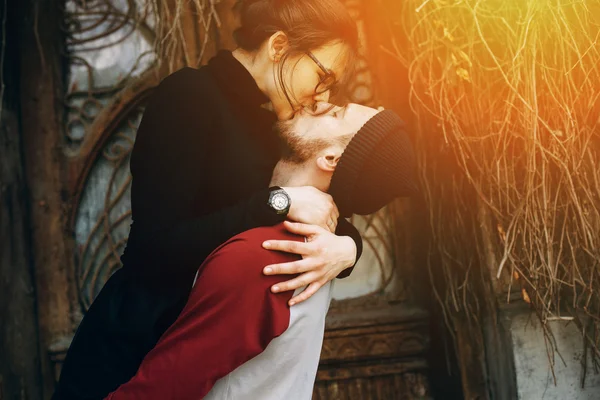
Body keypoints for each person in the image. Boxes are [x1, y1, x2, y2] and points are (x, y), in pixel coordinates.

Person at [54, 1, 366, 399]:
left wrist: (347, 249)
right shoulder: (189, 96)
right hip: (135, 351)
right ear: (278, 45)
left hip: (206, 363)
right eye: (322, 75)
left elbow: (319, 210)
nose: (320, 94)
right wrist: (276, 204)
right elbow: (152, 250)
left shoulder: (278, 124)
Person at [105, 103, 417, 399]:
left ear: (331, 159)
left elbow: (162, 388)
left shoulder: (263, 256)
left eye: (336, 113)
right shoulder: (317, 246)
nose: (318, 101)